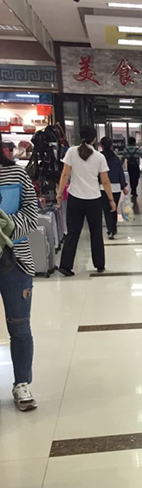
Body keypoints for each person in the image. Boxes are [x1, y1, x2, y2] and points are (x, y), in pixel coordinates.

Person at [0, 149, 39, 410]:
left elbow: (32, 214)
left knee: (19, 325)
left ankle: (22, 383)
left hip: (15, 260)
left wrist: (5, 225)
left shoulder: (16, 173)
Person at [56, 126, 116, 276]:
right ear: (94, 139)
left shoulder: (71, 152)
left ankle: (65, 266)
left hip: (75, 198)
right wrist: (111, 200)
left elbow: (65, 174)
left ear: (80, 136)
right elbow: (105, 181)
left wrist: (60, 193)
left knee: (72, 233)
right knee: (96, 232)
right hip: (94, 199)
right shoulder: (99, 157)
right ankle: (99, 264)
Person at [100, 136, 127, 240]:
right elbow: (120, 173)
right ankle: (113, 228)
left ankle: (110, 230)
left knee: (107, 210)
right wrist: (123, 186)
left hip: (103, 187)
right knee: (113, 208)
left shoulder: (99, 158)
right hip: (116, 188)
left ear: (101, 145)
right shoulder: (116, 158)